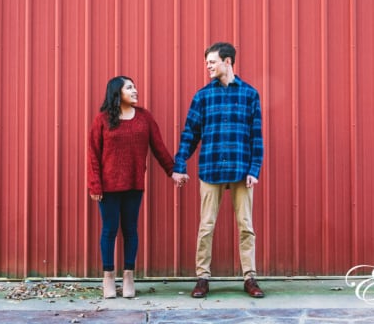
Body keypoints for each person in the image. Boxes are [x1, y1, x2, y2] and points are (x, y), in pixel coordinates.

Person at [172, 42, 265, 298]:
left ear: (228, 61)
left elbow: (256, 136)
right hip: (210, 168)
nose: (208, 66)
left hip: (240, 168)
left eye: (212, 61)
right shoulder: (202, 96)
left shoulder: (249, 94)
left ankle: (250, 278)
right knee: (206, 226)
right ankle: (202, 278)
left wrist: (254, 169)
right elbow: (190, 134)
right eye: (207, 62)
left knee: (246, 226)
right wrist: (179, 165)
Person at [88, 76, 187, 299]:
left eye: (135, 87)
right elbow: (93, 154)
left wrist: (173, 172)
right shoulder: (102, 120)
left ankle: (129, 277)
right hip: (108, 187)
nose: (135, 90)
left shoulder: (144, 118)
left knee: (131, 230)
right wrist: (94, 184)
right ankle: (108, 277)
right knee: (110, 229)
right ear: (117, 92)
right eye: (130, 87)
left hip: (134, 185)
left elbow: (159, 147)